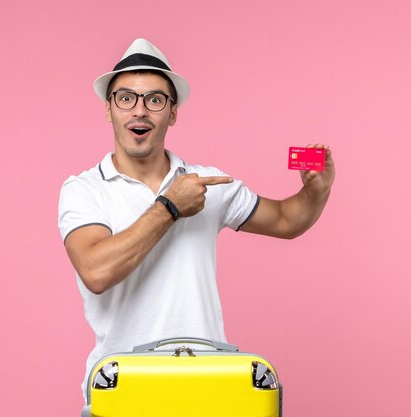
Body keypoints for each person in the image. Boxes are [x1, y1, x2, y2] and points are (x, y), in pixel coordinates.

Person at [58, 38, 335, 405]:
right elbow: (95, 271)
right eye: (126, 97)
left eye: (155, 100)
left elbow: (286, 219)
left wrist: (316, 193)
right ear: (109, 109)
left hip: (207, 387)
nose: (139, 110)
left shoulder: (208, 184)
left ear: (172, 113)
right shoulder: (84, 190)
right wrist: (170, 206)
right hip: (121, 389)